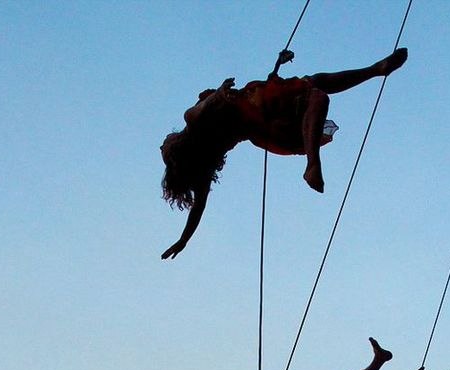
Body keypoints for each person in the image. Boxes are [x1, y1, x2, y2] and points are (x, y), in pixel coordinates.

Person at [160, 48, 408, 259]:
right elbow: (207, 107)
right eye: (164, 147)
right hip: (255, 105)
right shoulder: (191, 120)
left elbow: (199, 208)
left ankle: (375, 71)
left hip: (259, 124)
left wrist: (184, 240)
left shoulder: (204, 166)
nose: (162, 143)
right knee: (314, 89)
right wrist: (219, 93)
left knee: (316, 91)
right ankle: (373, 73)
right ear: (177, 147)